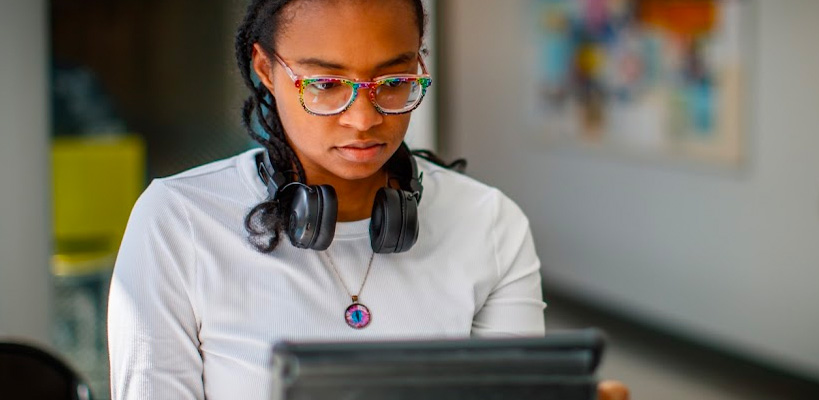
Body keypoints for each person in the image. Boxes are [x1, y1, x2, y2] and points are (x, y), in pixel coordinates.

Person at [107, 1, 628, 399]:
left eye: (394, 80)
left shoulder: (488, 223)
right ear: (265, 69)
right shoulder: (178, 223)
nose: (363, 118)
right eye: (327, 84)